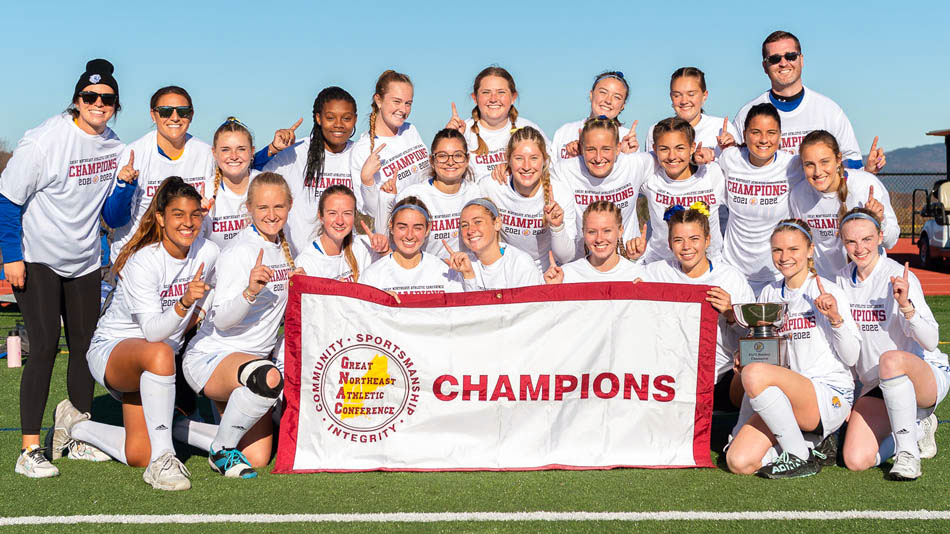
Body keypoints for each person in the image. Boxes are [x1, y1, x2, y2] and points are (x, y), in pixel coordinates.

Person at [50, 177, 218, 490]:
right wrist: (185, 303)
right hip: (115, 353)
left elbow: (216, 301)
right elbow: (154, 333)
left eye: (195, 214)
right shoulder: (144, 260)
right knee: (160, 351)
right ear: (161, 218)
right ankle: (163, 460)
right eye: (178, 214)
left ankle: (74, 426)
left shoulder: (209, 251)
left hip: (160, 363)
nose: (188, 222)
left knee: (138, 452)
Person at [1, 59, 125, 477]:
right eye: (90, 97)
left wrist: (124, 187)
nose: (98, 104)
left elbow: (112, 210)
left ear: (114, 105)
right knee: (45, 345)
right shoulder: (44, 141)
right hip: (37, 257)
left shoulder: (115, 146)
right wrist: (10, 256)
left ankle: (78, 436)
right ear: (77, 100)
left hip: (85, 259)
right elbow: (7, 200)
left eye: (107, 99)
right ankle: (30, 449)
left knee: (85, 348)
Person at [178, 172, 297, 479]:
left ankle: (179, 427)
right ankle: (220, 452)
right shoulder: (239, 252)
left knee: (257, 457)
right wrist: (250, 291)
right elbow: (222, 320)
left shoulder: (285, 245)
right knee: (267, 377)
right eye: (262, 208)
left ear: (290, 206)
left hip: (249, 366)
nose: (271, 215)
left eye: (278, 207)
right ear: (249, 208)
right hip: (213, 358)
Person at [726, 219, 859, 479]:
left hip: (826, 393)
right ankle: (813, 444)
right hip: (783, 399)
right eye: (777, 250)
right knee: (739, 461)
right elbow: (766, 353)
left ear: (810, 250)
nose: (784, 257)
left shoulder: (827, 290)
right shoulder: (769, 292)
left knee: (754, 374)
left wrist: (835, 318)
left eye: (793, 249)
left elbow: (851, 356)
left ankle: (799, 455)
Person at [835, 208, 950, 480]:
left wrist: (906, 306)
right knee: (855, 459)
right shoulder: (840, 280)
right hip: (876, 383)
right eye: (851, 241)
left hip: (921, 375)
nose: (859, 247)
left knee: (891, 358)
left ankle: (907, 456)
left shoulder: (900, 277)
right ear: (843, 242)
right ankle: (917, 427)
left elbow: (931, 340)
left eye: (867, 239)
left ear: (880, 237)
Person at [639, 203, 753, 409]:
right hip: (670, 379)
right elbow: (619, 289)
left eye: (694, 239)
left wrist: (730, 313)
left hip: (720, 376)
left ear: (707, 240)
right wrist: (632, 259)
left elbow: (752, 337)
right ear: (669, 243)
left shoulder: (730, 278)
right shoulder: (656, 273)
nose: (686, 247)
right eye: (678, 240)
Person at [732, 31, 884, 173]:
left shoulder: (828, 110)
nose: (783, 63)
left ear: (801, 60)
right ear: (765, 66)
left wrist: (867, 173)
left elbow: (850, 164)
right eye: (774, 59)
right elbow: (733, 165)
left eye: (791, 56)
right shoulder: (748, 114)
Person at [106, 86, 215, 265]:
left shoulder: (205, 153)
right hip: (139, 258)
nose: (174, 117)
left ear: (192, 115)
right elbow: (114, 219)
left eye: (183, 111)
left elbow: (241, 168)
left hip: (187, 260)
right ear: (153, 115)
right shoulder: (135, 153)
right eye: (165, 111)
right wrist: (124, 187)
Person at [714, 103, 804, 296]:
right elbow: (701, 172)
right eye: (756, 132)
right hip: (733, 271)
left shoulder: (792, 165)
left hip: (777, 274)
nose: (764, 139)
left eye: (771, 132)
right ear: (745, 134)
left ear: (780, 135)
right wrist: (699, 157)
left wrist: (868, 172)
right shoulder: (730, 158)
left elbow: (827, 177)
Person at [264, 87, 360, 254]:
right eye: (330, 117)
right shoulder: (296, 152)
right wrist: (272, 149)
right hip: (302, 260)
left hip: (347, 260)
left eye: (346, 118)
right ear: (318, 118)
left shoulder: (360, 153)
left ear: (355, 120)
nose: (338, 124)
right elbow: (252, 175)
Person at [789, 130, 897, 277]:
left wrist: (880, 220)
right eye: (809, 164)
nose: (818, 171)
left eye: (824, 162)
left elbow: (891, 241)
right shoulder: (799, 195)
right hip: (826, 288)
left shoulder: (866, 185)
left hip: (867, 285)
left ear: (838, 159)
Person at [554, 117, 654, 259]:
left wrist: (695, 161)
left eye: (606, 149)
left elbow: (670, 159)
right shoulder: (565, 170)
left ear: (618, 148)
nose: (598, 158)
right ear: (581, 148)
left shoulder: (634, 164)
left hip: (629, 262)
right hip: (583, 266)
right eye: (591, 149)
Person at [480, 126, 576, 271]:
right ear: (508, 161)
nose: (526, 166)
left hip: (547, 273)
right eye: (519, 158)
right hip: (507, 272)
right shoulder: (491, 187)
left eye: (534, 158)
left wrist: (557, 227)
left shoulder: (559, 193)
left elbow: (566, 257)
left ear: (544, 160)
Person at [639, 117, 726, 264]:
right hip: (662, 266)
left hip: (709, 266)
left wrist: (732, 147)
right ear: (654, 149)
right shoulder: (650, 178)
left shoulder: (712, 173)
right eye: (664, 149)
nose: (672, 156)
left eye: (680, 148)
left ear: (692, 147)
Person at [445, 66, 550, 182]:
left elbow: (549, 168)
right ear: (475, 98)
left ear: (513, 97)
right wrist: (449, 138)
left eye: (501, 92)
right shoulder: (463, 131)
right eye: (486, 92)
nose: (493, 99)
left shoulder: (529, 130)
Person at [395, 129, 481, 259]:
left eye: (457, 155)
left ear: (467, 159)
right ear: (432, 160)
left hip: (467, 273)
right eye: (442, 156)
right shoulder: (414, 195)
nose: (450, 162)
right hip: (428, 276)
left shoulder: (475, 192)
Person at [360, 196, 463, 294]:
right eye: (402, 227)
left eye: (417, 228)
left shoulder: (443, 271)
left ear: (427, 229)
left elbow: (461, 309)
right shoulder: (373, 275)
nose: (409, 235)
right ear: (391, 226)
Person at [444, 198, 543, 290]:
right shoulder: (461, 265)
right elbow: (467, 308)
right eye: (465, 225)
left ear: (497, 224)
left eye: (478, 222)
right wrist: (468, 275)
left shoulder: (520, 264)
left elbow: (528, 307)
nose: (470, 230)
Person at [294, 184, 388, 282]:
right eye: (332, 213)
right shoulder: (306, 262)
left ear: (354, 215)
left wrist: (384, 251)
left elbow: (390, 275)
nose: (340, 221)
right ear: (321, 216)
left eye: (347, 213)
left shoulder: (364, 245)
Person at [645, 67, 739, 159]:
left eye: (691, 94)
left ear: (704, 95)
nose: (684, 101)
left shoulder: (720, 128)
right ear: (671, 96)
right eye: (677, 95)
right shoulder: (657, 130)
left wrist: (731, 151)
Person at [544, 201, 642, 283]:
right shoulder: (566, 275)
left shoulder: (636, 275)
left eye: (606, 231)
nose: (599, 239)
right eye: (592, 232)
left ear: (620, 231)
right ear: (583, 232)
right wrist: (554, 291)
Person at [551, 71, 635, 161]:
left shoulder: (628, 139)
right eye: (603, 92)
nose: (608, 100)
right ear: (591, 94)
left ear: (622, 106)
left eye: (617, 97)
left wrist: (624, 157)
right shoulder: (565, 132)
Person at [204, 117, 259, 248]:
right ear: (214, 153)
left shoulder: (266, 184)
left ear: (252, 152)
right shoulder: (205, 192)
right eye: (225, 149)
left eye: (241, 149)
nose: (234, 156)